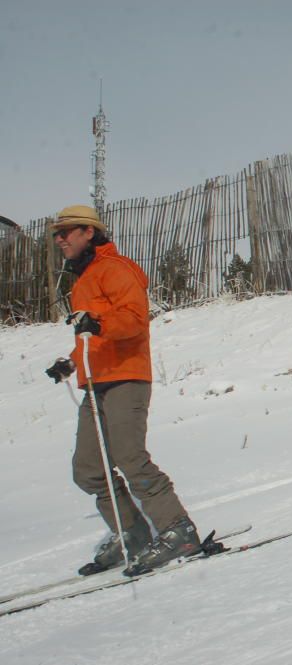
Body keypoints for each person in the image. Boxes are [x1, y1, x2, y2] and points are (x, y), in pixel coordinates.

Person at [44, 205, 201, 576]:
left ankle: (178, 530)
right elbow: (90, 336)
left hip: (126, 377)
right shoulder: (82, 279)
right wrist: (71, 361)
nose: (59, 239)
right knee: (89, 469)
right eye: (56, 234)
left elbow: (133, 319)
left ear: (89, 232)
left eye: (67, 231)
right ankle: (132, 532)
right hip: (96, 381)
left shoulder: (115, 269)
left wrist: (96, 322)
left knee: (131, 458)